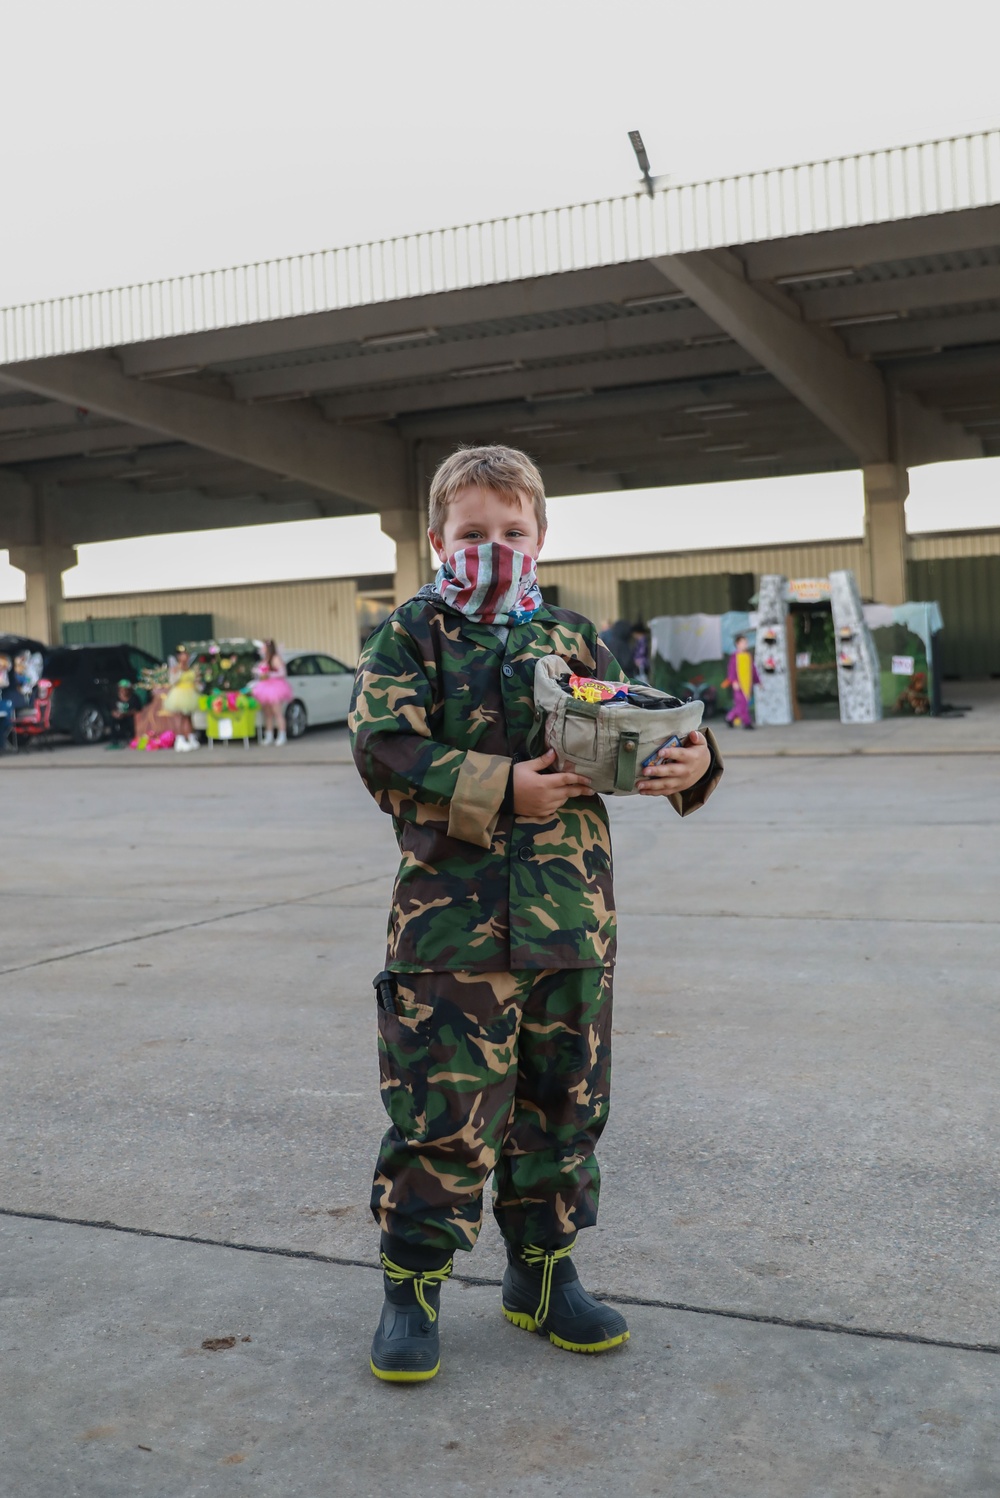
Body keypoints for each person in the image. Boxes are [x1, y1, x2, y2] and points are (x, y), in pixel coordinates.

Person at [349, 445, 723, 1383]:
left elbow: (641, 721)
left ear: (542, 537)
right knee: (443, 1110)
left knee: (565, 1106)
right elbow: (383, 749)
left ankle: (544, 1275)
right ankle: (412, 1284)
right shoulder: (410, 636)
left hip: (572, 923)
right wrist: (497, 785)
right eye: (474, 533)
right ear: (438, 540)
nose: (495, 547)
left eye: (513, 532)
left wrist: (694, 761)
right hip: (450, 930)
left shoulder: (573, 638)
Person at [250, 639, 293, 745]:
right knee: (267, 713)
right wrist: (258, 672)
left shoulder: (275, 658)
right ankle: (269, 735)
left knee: (277, 712)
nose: (262, 649)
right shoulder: (264, 660)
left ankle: (282, 735)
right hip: (265, 686)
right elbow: (260, 673)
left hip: (275, 687)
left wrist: (269, 674)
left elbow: (282, 672)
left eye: (263, 647)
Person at [163, 646, 201, 751]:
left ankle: (191, 737)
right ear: (179, 657)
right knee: (179, 717)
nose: (185, 657)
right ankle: (180, 739)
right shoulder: (176, 668)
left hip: (190, 693)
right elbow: (172, 681)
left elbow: (194, 680)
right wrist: (179, 671)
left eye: (186, 655)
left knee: (188, 717)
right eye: (183, 655)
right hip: (179, 694)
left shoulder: (191, 668)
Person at [723, 633, 761, 729]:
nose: (745, 644)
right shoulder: (734, 656)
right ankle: (747, 723)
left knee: (740, 705)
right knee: (743, 704)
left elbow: (753, 669)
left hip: (747, 684)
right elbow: (731, 670)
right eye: (743, 642)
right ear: (737, 644)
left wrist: (758, 681)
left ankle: (729, 718)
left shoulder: (748, 656)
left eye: (746, 642)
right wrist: (734, 681)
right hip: (738, 685)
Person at [108, 679, 140, 748]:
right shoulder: (115, 698)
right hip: (119, 717)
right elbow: (112, 710)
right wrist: (115, 714)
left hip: (129, 716)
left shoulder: (134, 698)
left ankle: (132, 737)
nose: (124, 691)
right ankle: (114, 740)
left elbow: (137, 710)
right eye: (122, 689)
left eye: (126, 689)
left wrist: (126, 714)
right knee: (112, 720)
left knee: (132, 720)